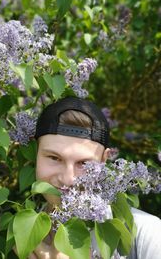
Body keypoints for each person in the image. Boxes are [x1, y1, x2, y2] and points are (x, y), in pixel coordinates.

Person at [29, 96, 161, 259]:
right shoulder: (23, 233)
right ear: (36, 153)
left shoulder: (148, 236)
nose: (68, 179)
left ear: (103, 161)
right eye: (54, 158)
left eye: (83, 163)